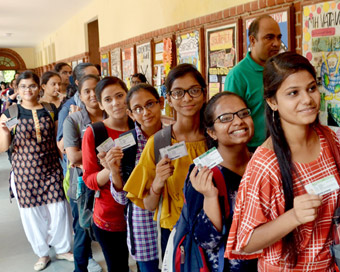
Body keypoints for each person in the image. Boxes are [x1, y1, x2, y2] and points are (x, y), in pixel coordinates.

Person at [226, 52, 340, 271]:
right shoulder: (266, 163)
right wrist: (293, 216)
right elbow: (246, 242)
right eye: (293, 93)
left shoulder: (331, 139)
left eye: (311, 88)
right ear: (272, 102)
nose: (307, 99)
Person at [124, 63, 208, 257]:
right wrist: (158, 182)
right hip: (177, 234)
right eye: (178, 92)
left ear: (204, 94)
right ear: (168, 98)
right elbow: (149, 204)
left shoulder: (217, 137)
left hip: (217, 231)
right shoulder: (159, 142)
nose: (187, 98)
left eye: (194, 90)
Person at [0, 71, 73, 271]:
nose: (28, 90)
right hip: (24, 171)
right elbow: (3, 147)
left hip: (51, 167)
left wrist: (69, 158)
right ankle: (41, 253)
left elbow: (59, 139)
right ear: (17, 89)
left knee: (58, 208)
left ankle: (63, 248)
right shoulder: (11, 113)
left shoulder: (50, 109)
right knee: (32, 214)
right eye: (23, 87)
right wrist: (5, 132)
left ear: (39, 87)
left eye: (32, 86)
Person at [177, 92, 258, 272]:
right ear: (212, 132)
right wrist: (210, 197)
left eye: (243, 113)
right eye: (226, 118)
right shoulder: (202, 172)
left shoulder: (264, 160)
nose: (238, 122)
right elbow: (206, 240)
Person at [108, 83, 164, 272]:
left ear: (161, 102)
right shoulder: (126, 144)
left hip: (175, 217)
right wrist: (114, 172)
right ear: (131, 114)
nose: (146, 112)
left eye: (150, 104)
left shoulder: (175, 134)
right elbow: (123, 198)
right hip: (144, 225)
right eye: (138, 109)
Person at [82, 76, 133, 272]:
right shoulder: (94, 132)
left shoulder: (141, 124)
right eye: (108, 99)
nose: (116, 103)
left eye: (120, 95)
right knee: (118, 267)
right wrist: (110, 169)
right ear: (101, 104)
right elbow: (89, 180)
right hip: (111, 217)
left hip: (143, 212)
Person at [63, 74, 103, 272]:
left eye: (96, 89)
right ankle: (80, 269)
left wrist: (88, 152)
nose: (92, 94)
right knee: (82, 230)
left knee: (113, 229)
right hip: (82, 185)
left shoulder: (115, 116)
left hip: (110, 182)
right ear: (80, 95)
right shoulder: (74, 120)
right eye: (87, 91)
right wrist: (107, 153)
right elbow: (73, 156)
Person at [224, 14, 281, 151]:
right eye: (269, 37)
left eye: (279, 37)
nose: (276, 43)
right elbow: (230, 122)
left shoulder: (280, 69)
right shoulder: (237, 75)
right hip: (252, 151)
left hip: (281, 146)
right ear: (253, 40)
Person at [56, 63, 100, 174]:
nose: (95, 80)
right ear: (78, 83)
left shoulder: (105, 106)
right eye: (89, 77)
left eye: (97, 77)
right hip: (79, 172)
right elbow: (62, 147)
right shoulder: (68, 109)